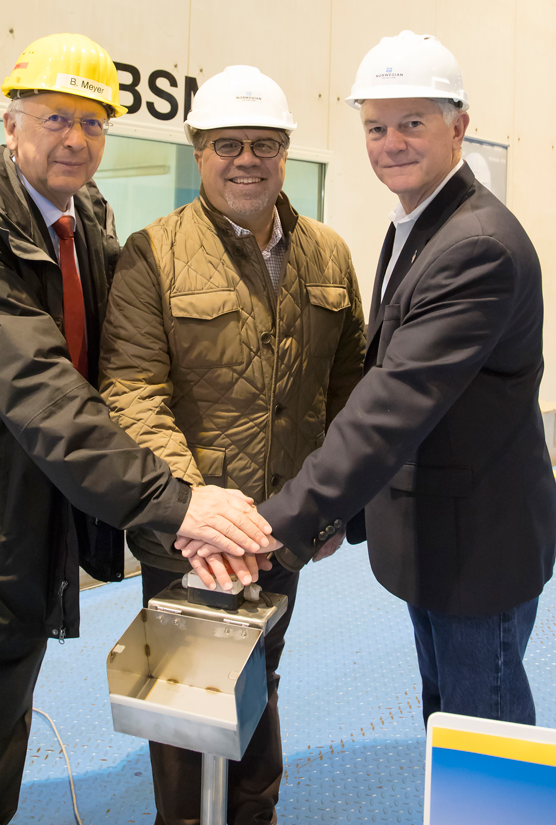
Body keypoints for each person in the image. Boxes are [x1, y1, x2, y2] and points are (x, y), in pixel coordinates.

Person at [0, 35, 271, 825]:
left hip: (38, 522)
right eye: (55, 117)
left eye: (94, 123)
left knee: (3, 733)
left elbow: (122, 367)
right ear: (11, 124)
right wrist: (174, 503)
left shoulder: (84, 221)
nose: (75, 138)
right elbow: (44, 397)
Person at [184, 31, 556, 728]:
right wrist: (344, 513)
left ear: (458, 126)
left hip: (479, 541)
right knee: (446, 714)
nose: (391, 143)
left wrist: (277, 523)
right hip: (440, 534)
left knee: (484, 728)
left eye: (411, 123)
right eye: (376, 127)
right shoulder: (419, 222)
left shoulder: (474, 244)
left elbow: (389, 407)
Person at [100, 64, 365, 825]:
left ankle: (255, 814)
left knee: (260, 673)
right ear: (197, 152)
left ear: (283, 152)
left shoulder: (327, 254)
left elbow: (348, 392)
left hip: (282, 524)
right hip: (189, 534)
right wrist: (192, 510)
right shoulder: (154, 254)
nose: (245, 158)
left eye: (263, 143)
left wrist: (327, 508)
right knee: (184, 699)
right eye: (226, 144)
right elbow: (132, 393)